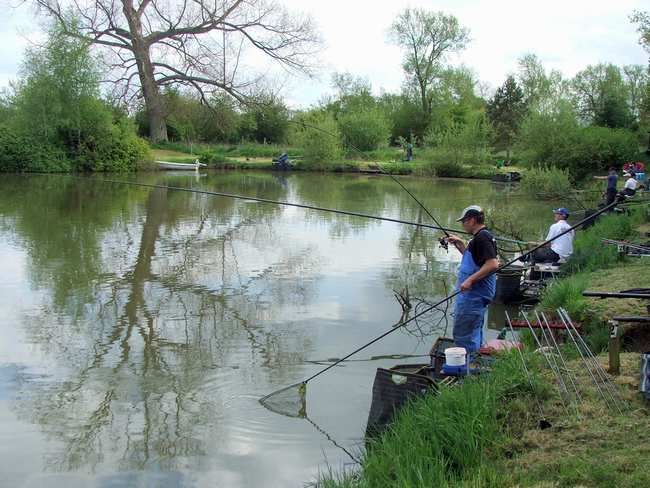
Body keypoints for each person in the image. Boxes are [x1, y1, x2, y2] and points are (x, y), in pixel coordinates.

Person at [444, 206, 499, 353]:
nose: (463, 224)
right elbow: (476, 262)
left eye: (464, 221)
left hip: (473, 296)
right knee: (473, 333)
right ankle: (474, 361)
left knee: (464, 335)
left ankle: (467, 369)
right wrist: (461, 245)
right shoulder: (480, 237)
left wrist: (470, 280)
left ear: (472, 220)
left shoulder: (482, 238)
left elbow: (492, 264)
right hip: (473, 295)